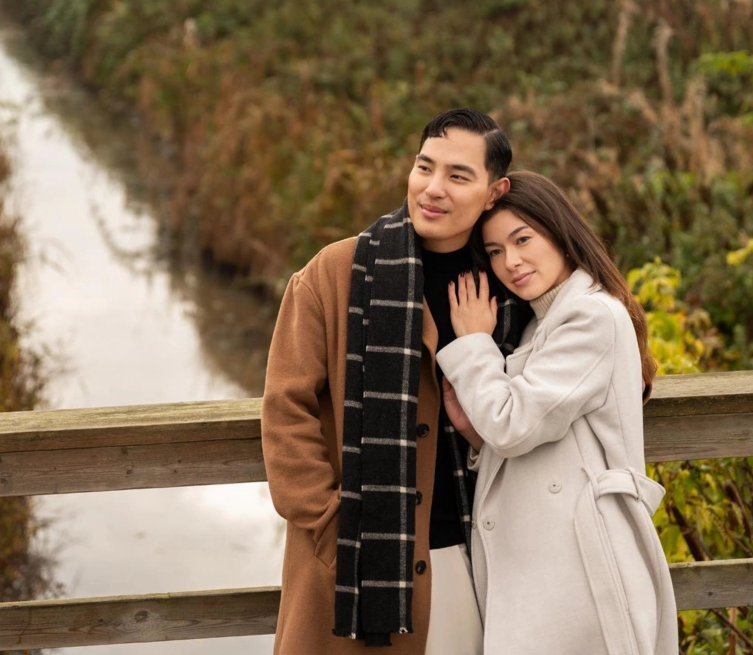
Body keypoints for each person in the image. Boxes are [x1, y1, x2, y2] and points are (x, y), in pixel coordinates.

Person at [261, 109, 532, 653]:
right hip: (354, 565)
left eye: (458, 176)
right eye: (424, 167)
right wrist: (335, 528)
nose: (433, 188)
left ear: (493, 193)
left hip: (474, 558)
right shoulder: (335, 273)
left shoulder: (511, 284)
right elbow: (286, 409)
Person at [436, 170, 677, 655]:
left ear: (560, 232)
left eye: (522, 239)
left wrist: (475, 343)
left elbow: (512, 424)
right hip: (550, 561)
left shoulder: (590, 315)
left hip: (579, 562)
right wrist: (477, 436)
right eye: (495, 251)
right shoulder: (542, 324)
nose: (511, 262)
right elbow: (544, 435)